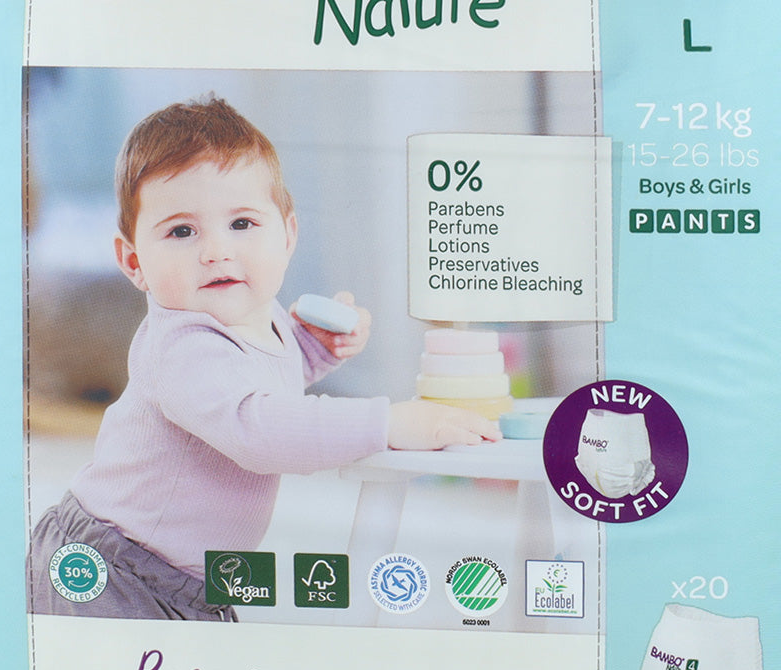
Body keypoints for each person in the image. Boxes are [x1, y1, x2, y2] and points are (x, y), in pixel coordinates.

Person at [29, 97, 498, 620]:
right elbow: (257, 427)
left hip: (185, 579)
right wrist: (386, 423)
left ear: (287, 234)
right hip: (115, 572)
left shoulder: (257, 315)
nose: (216, 251)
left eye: (242, 223)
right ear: (134, 261)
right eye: (182, 231)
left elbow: (257, 379)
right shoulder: (183, 346)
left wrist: (309, 348)